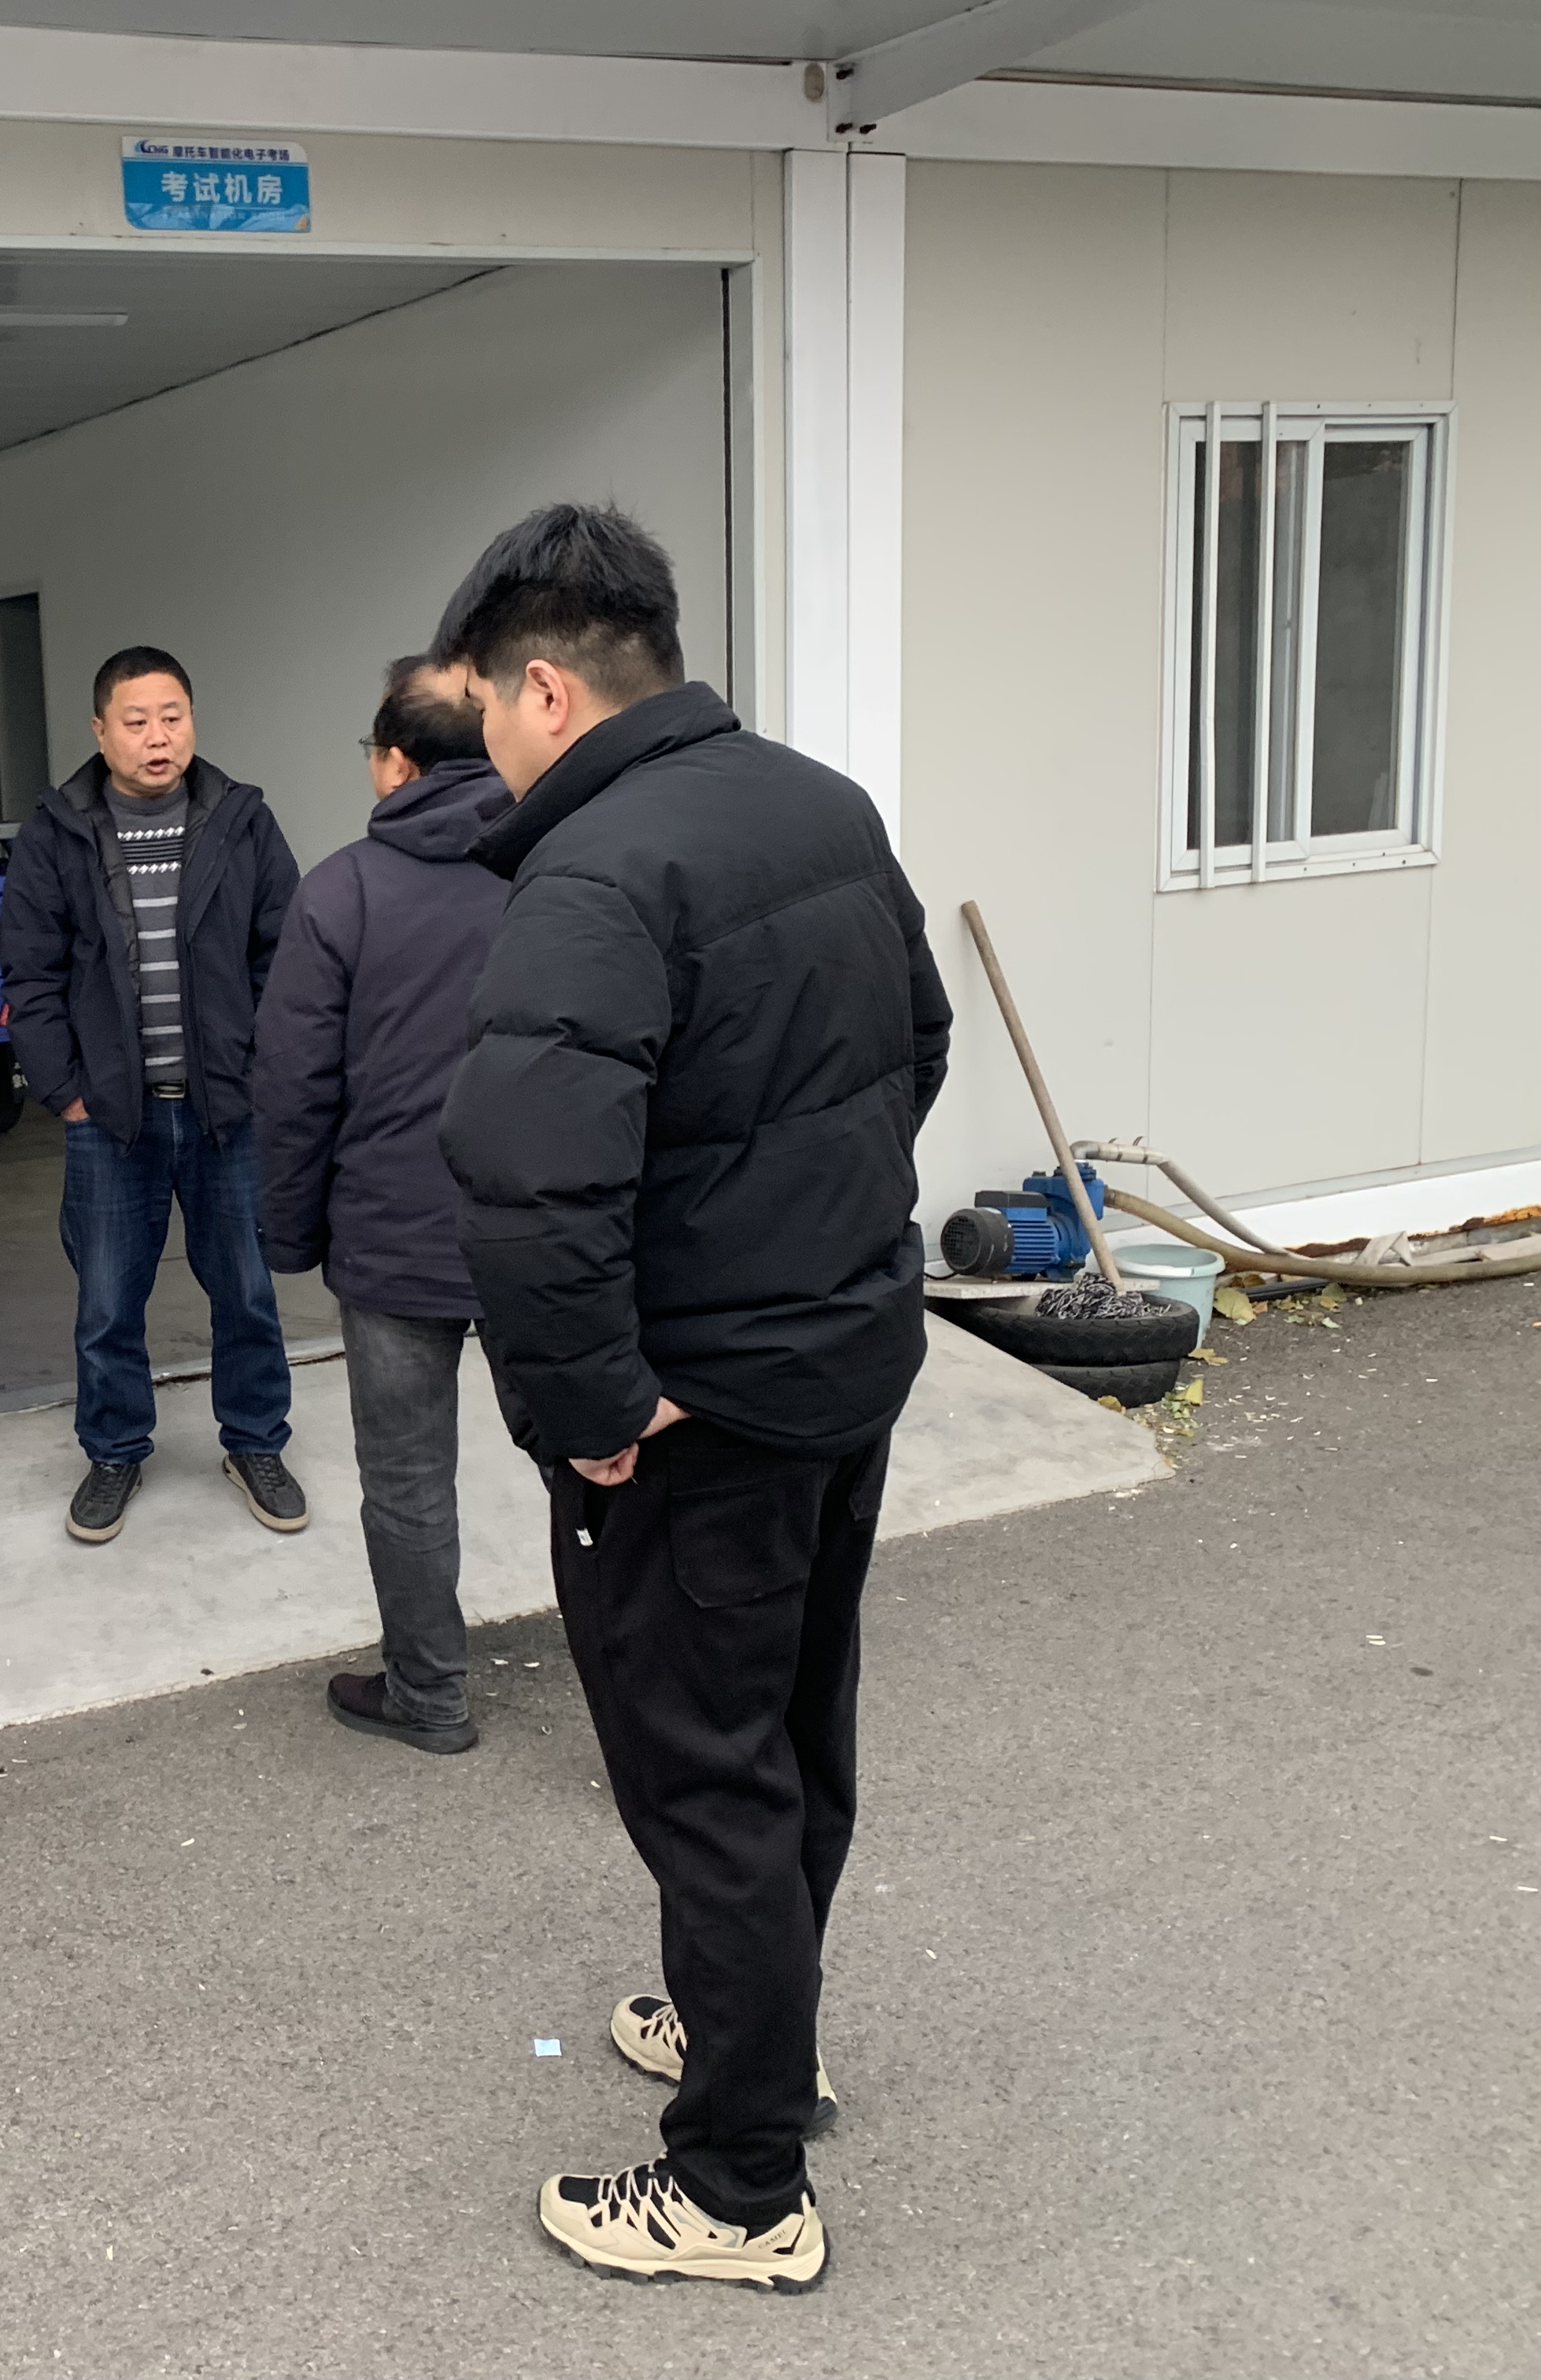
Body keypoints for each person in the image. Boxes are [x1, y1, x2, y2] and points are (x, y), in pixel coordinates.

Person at [433, 507, 951, 2293]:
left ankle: (739, 2187)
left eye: (483, 710)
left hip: (695, 1417)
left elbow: (531, 1182)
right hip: (841, 1366)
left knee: (707, 1779)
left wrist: (592, 1404)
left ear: (547, 689)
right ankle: (756, 2035)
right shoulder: (822, 806)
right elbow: (916, 1046)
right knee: (794, 1737)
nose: (485, 745)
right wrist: (808, 1242)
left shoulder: (594, 872)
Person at [253, 656, 511, 1755]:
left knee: (408, 1480)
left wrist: (291, 1233)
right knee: (592, 1454)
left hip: (393, 1237)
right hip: (547, 1232)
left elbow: (293, 1083)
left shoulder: (342, 890)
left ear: (395, 765)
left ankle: (430, 1697)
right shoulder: (565, 866)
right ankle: (638, 1691)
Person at [1, 647, 308, 1544]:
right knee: (107, 1301)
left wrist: (262, 1071)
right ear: (101, 733)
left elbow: (285, 955)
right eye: (136, 722)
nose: (157, 737)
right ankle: (114, 1452)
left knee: (246, 1290)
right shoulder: (58, 832)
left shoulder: (242, 822)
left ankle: (255, 1442)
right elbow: (29, 973)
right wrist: (67, 1094)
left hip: (225, 1112)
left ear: (192, 721)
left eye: (172, 717)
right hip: (111, 1118)